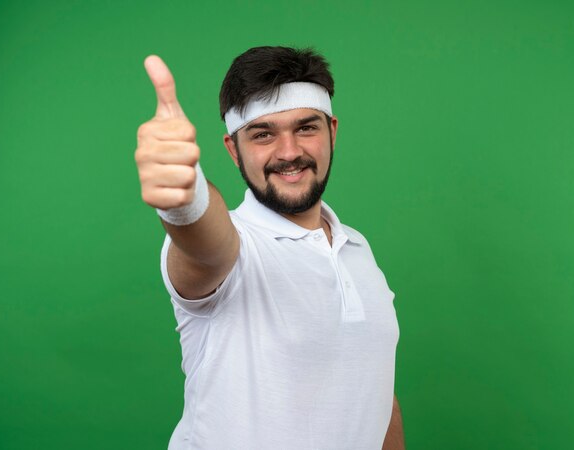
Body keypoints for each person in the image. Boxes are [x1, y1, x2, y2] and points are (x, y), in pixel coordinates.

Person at [135, 46, 404, 450]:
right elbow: (204, 243)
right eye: (263, 134)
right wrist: (183, 193)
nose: (289, 152)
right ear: (232, 149)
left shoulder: (357, 248)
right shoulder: (237, 249)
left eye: (306, 128)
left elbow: (374, 394)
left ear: (331, 132)